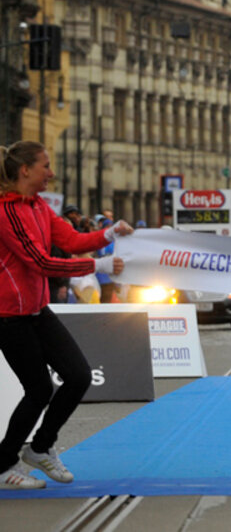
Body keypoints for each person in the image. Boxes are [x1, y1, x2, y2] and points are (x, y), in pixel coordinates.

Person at [0, 142, 133, 489]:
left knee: (78, 376)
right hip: (8, 316)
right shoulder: (6, 212)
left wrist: (108, 233)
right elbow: (40, 263)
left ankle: (40, 448)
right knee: (38, 390)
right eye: (46, 166)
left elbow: (72, 240)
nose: (52, 172)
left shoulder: (39, 206)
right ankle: (2, 465)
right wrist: (98, 264)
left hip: (37, 311)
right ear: (25, 170)